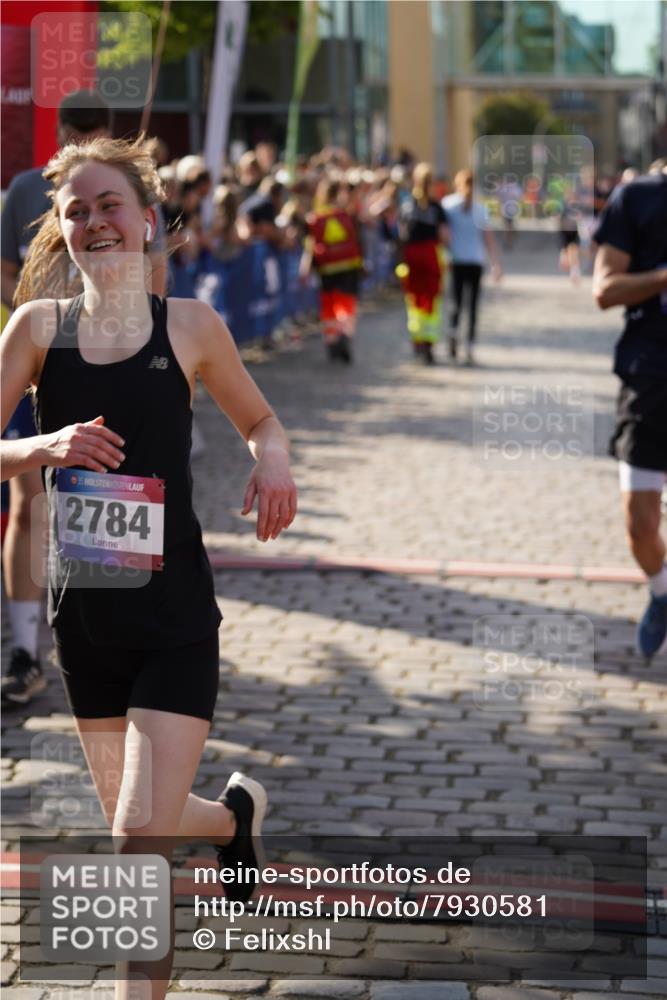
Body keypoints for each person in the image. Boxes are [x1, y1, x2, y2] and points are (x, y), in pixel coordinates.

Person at [0, 134, 297, 998]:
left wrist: (271, 460)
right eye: (76, 210)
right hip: (86, 621)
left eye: (109, 205)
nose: (94, 220)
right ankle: (231, 818)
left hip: (172, 620)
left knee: (136, 848)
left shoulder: (193, 326)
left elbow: (263, 422)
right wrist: (42, 445)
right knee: (148, 825)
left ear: (146, 221)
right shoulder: (36, 330)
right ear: (59, 230)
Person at [0, 90, 116, 707]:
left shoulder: (127, 194)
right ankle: (24, 651)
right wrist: (39, 315)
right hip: (33, 361)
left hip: (106, 364)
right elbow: (2, 269)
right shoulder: (24, 189)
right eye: (75, 134)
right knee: (27, 499)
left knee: (101, 493)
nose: (81, 147)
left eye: (95, 136)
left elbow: (156, 286)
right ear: (61, 130)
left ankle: (103, 642)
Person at [592, 159, 667, 659]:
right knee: (640, 525)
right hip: (650, 378)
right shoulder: (637, 197)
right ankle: (662, 594)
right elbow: (604, 289)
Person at [300, 176, 364, 363]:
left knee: (329, 306)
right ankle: (344, 334)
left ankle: (331, 341)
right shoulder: (346, 215)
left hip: (326, 268)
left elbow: (310, 246)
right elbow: (357, 239)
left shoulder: (314, 218)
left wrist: (305, 268)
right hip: (348, 266)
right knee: (346, 304)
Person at [442, 169, 502, 366]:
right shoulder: (480, 209)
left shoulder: (448, 205)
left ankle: (452, 331)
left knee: (456, 301)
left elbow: (444, 235)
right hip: (475, 261)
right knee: (472, 305)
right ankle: (469, 345)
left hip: (456, 260)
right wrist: (496, 264)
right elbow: (489, 239)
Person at [396, 162, 449, 364]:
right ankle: (428, 341)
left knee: (414, 299)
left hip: (412, 257)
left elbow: (400, 234)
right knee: (431, 300)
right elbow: (444, 236)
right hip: (431, 255)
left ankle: (417, 339)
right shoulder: (436, 207)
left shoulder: (407, 205)